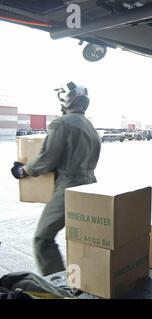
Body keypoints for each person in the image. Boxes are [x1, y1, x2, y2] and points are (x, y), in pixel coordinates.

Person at [11, 82, 101, 276]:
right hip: (91, 186)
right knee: (81, 240)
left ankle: (56, 285)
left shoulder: (62, 123)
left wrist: (23, 171)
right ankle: (86, 280)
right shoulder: (89, 126)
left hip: (69, 187)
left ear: (67, 99)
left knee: (43, 239)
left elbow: (47, 159)